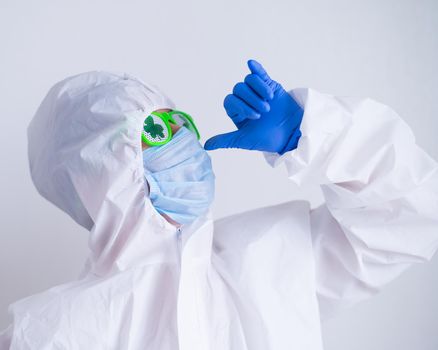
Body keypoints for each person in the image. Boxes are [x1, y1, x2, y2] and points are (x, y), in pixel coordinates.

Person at [1, 60, 438, 350]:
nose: (184, 141)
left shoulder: (264, 264)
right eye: (156, 131)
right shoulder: (49, 332)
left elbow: (411, 217)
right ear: (98, 174)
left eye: (179, 122)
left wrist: (307, 135)